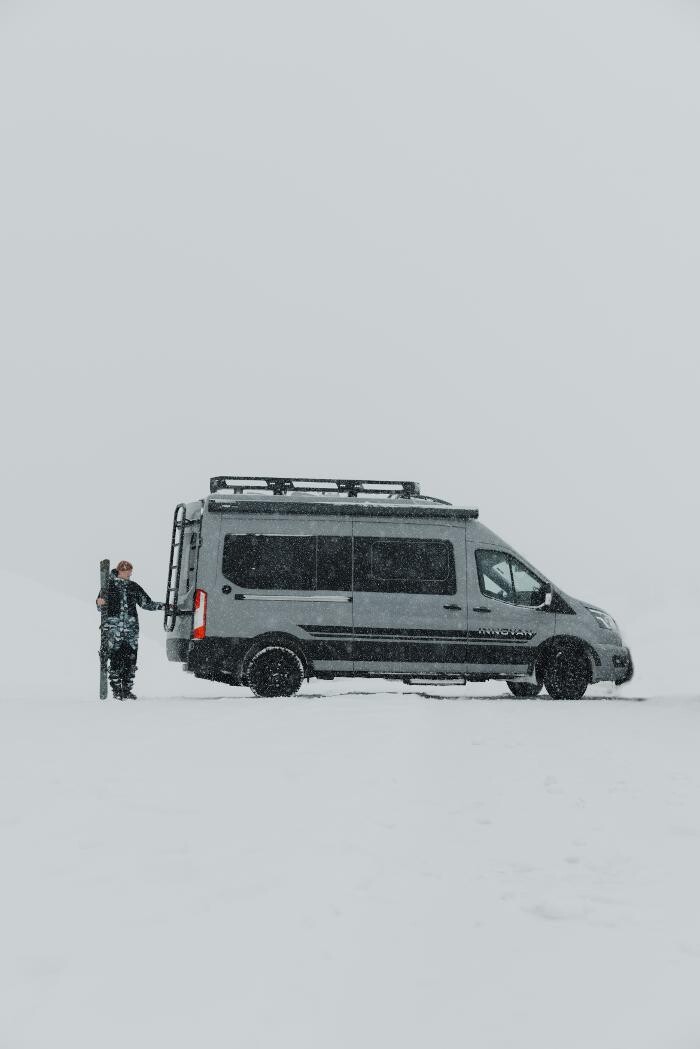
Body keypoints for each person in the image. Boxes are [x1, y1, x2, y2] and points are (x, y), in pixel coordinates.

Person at [96, 560, 164, 700]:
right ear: (120, 570)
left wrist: (164, 606)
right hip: (114, 631)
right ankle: (116, 691)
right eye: (127, 571)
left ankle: (126, 690)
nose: (129, 574)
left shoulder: (133, 587)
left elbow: (146, 603)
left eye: (130, 571)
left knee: (130, 660)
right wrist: (99, 602)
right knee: (115, 659)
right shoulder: (108, 585)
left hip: (131, 631)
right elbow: (100, 605)